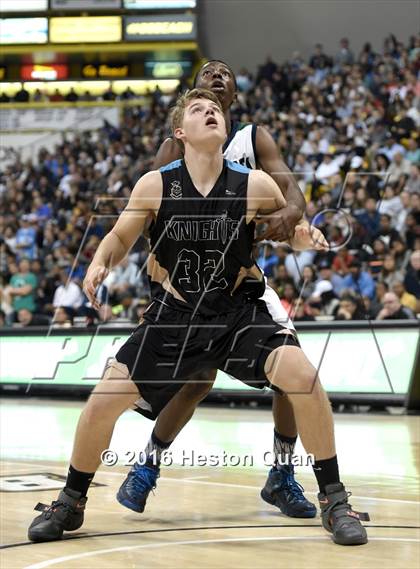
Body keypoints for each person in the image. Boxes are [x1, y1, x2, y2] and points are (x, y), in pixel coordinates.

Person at [28, 89, 368, 546]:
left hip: (235, 312)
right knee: (103, 401)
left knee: (302, 376)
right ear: (179, 132)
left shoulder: (254, 184)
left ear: (226, 128)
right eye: (197, 109)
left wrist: (308, 239)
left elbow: (292, 232)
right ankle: (70, 502)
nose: (210, 112)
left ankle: (334, 499)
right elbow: (118, 235)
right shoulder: (155, 185)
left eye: (215, 110)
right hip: (176, 316)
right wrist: (99, 263)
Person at [130, 60, 317, 519]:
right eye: (208, 71)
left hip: (240, 282)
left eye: (226, 72)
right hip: (188, 286)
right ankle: (146, 468)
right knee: (195, 382)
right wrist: (159, 294)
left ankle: (282, 475)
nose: (217, 76)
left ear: (234, 92)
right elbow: (149, 222)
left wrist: (290, 215)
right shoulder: (175, 146)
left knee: (292, 375)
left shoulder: (254, 138)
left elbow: (294, 196)